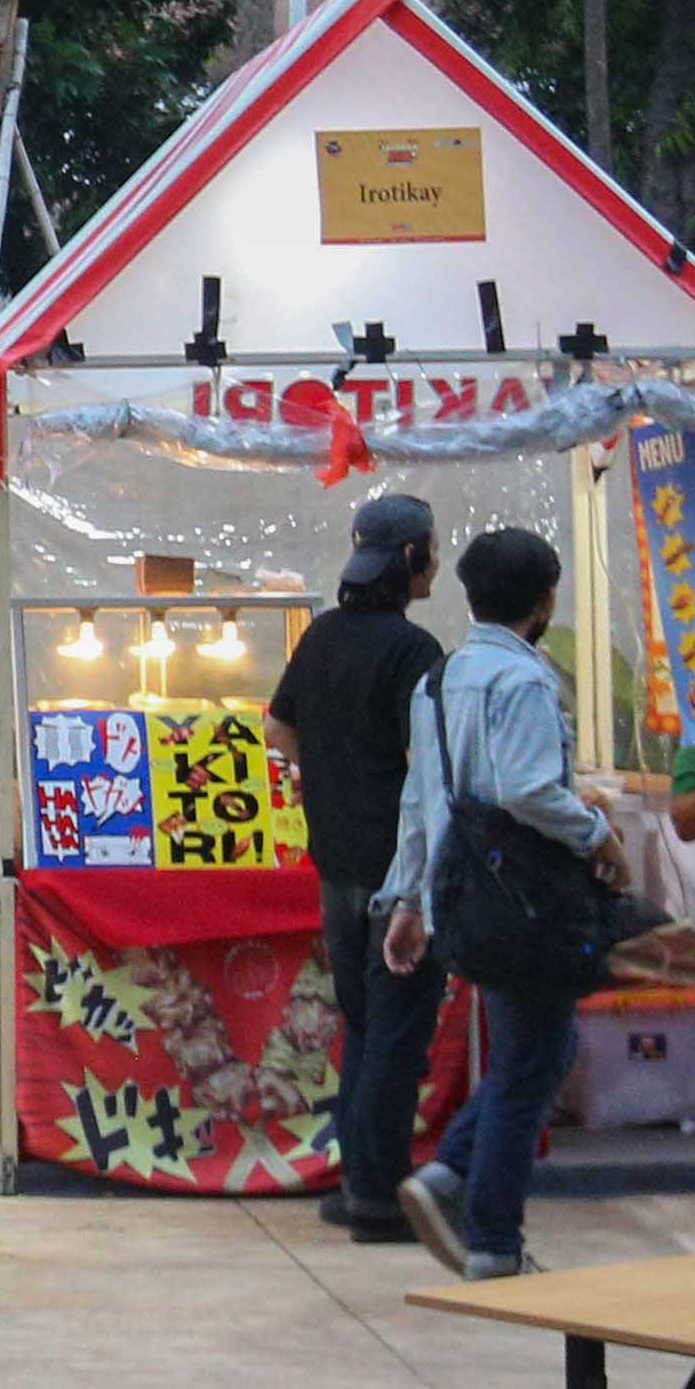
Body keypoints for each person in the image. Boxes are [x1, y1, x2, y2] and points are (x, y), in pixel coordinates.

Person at [381, 525, 631, 1280]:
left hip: (467, 894)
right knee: (530, 1062)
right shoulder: (521, 681)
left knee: (537, 1052)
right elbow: (527, 789)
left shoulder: (442, 678)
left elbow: (423, 796)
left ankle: (453, 1176)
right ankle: (489, 1232)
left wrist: (408, 896)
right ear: (547, 598)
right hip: (527, 899)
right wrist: (596, 834)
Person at [271, 492, 448, 1240]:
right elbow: (430, 768)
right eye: (431, 550)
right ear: (411, 559)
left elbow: (277, 730)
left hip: (334, 860)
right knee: (397, 1035)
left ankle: (356, 1183)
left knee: (363, 1027)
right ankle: (379, 1196)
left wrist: (334, 768)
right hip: (394, 872)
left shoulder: (320, 637)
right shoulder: (415, 653)